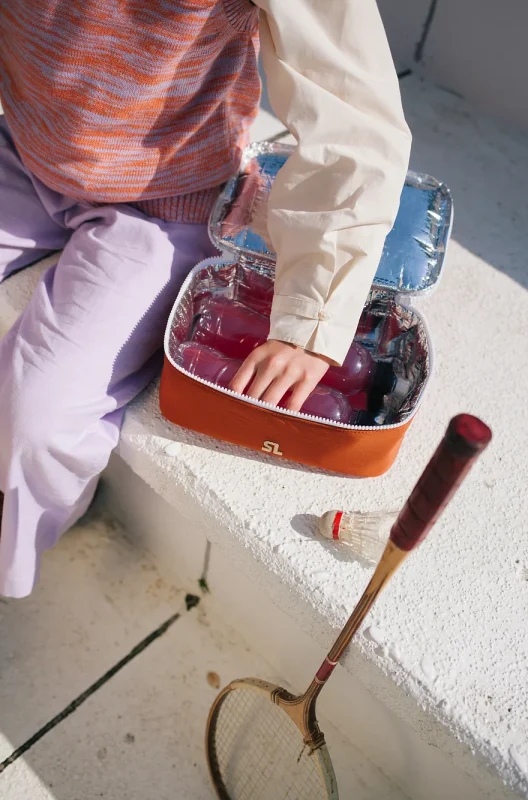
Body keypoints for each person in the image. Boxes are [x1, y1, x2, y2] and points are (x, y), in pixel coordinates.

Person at [0, 0, 411, 597]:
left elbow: (351, 112)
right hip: (24, 144)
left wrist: (312, 315)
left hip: (166, 201)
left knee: (41, 414)